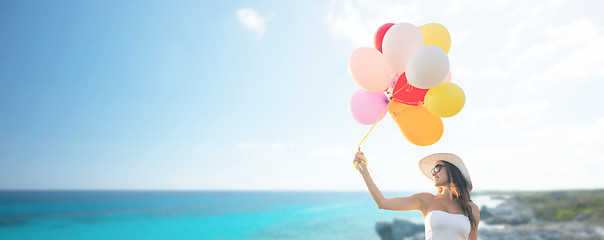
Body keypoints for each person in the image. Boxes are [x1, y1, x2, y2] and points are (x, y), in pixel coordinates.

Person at [353, 151, 480, 240]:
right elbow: (383, 203)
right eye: (432, 170)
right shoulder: (426, 200)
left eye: (437, 168)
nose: (433, 173)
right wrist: (365, 173)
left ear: (452, 170)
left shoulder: (471, 209)